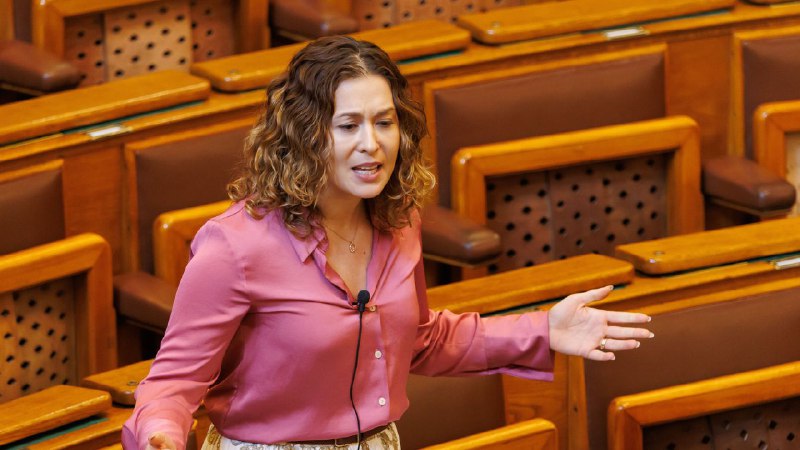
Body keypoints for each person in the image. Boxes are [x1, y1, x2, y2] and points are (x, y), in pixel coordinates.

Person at [122, 36, 653, 450]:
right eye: (348, 125)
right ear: (305, 136)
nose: (372, 144)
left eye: (385, 122)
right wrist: (160, 434)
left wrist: (542, 330)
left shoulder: (398, 222)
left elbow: (421, 341)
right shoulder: (235, 246)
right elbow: (173, 381)